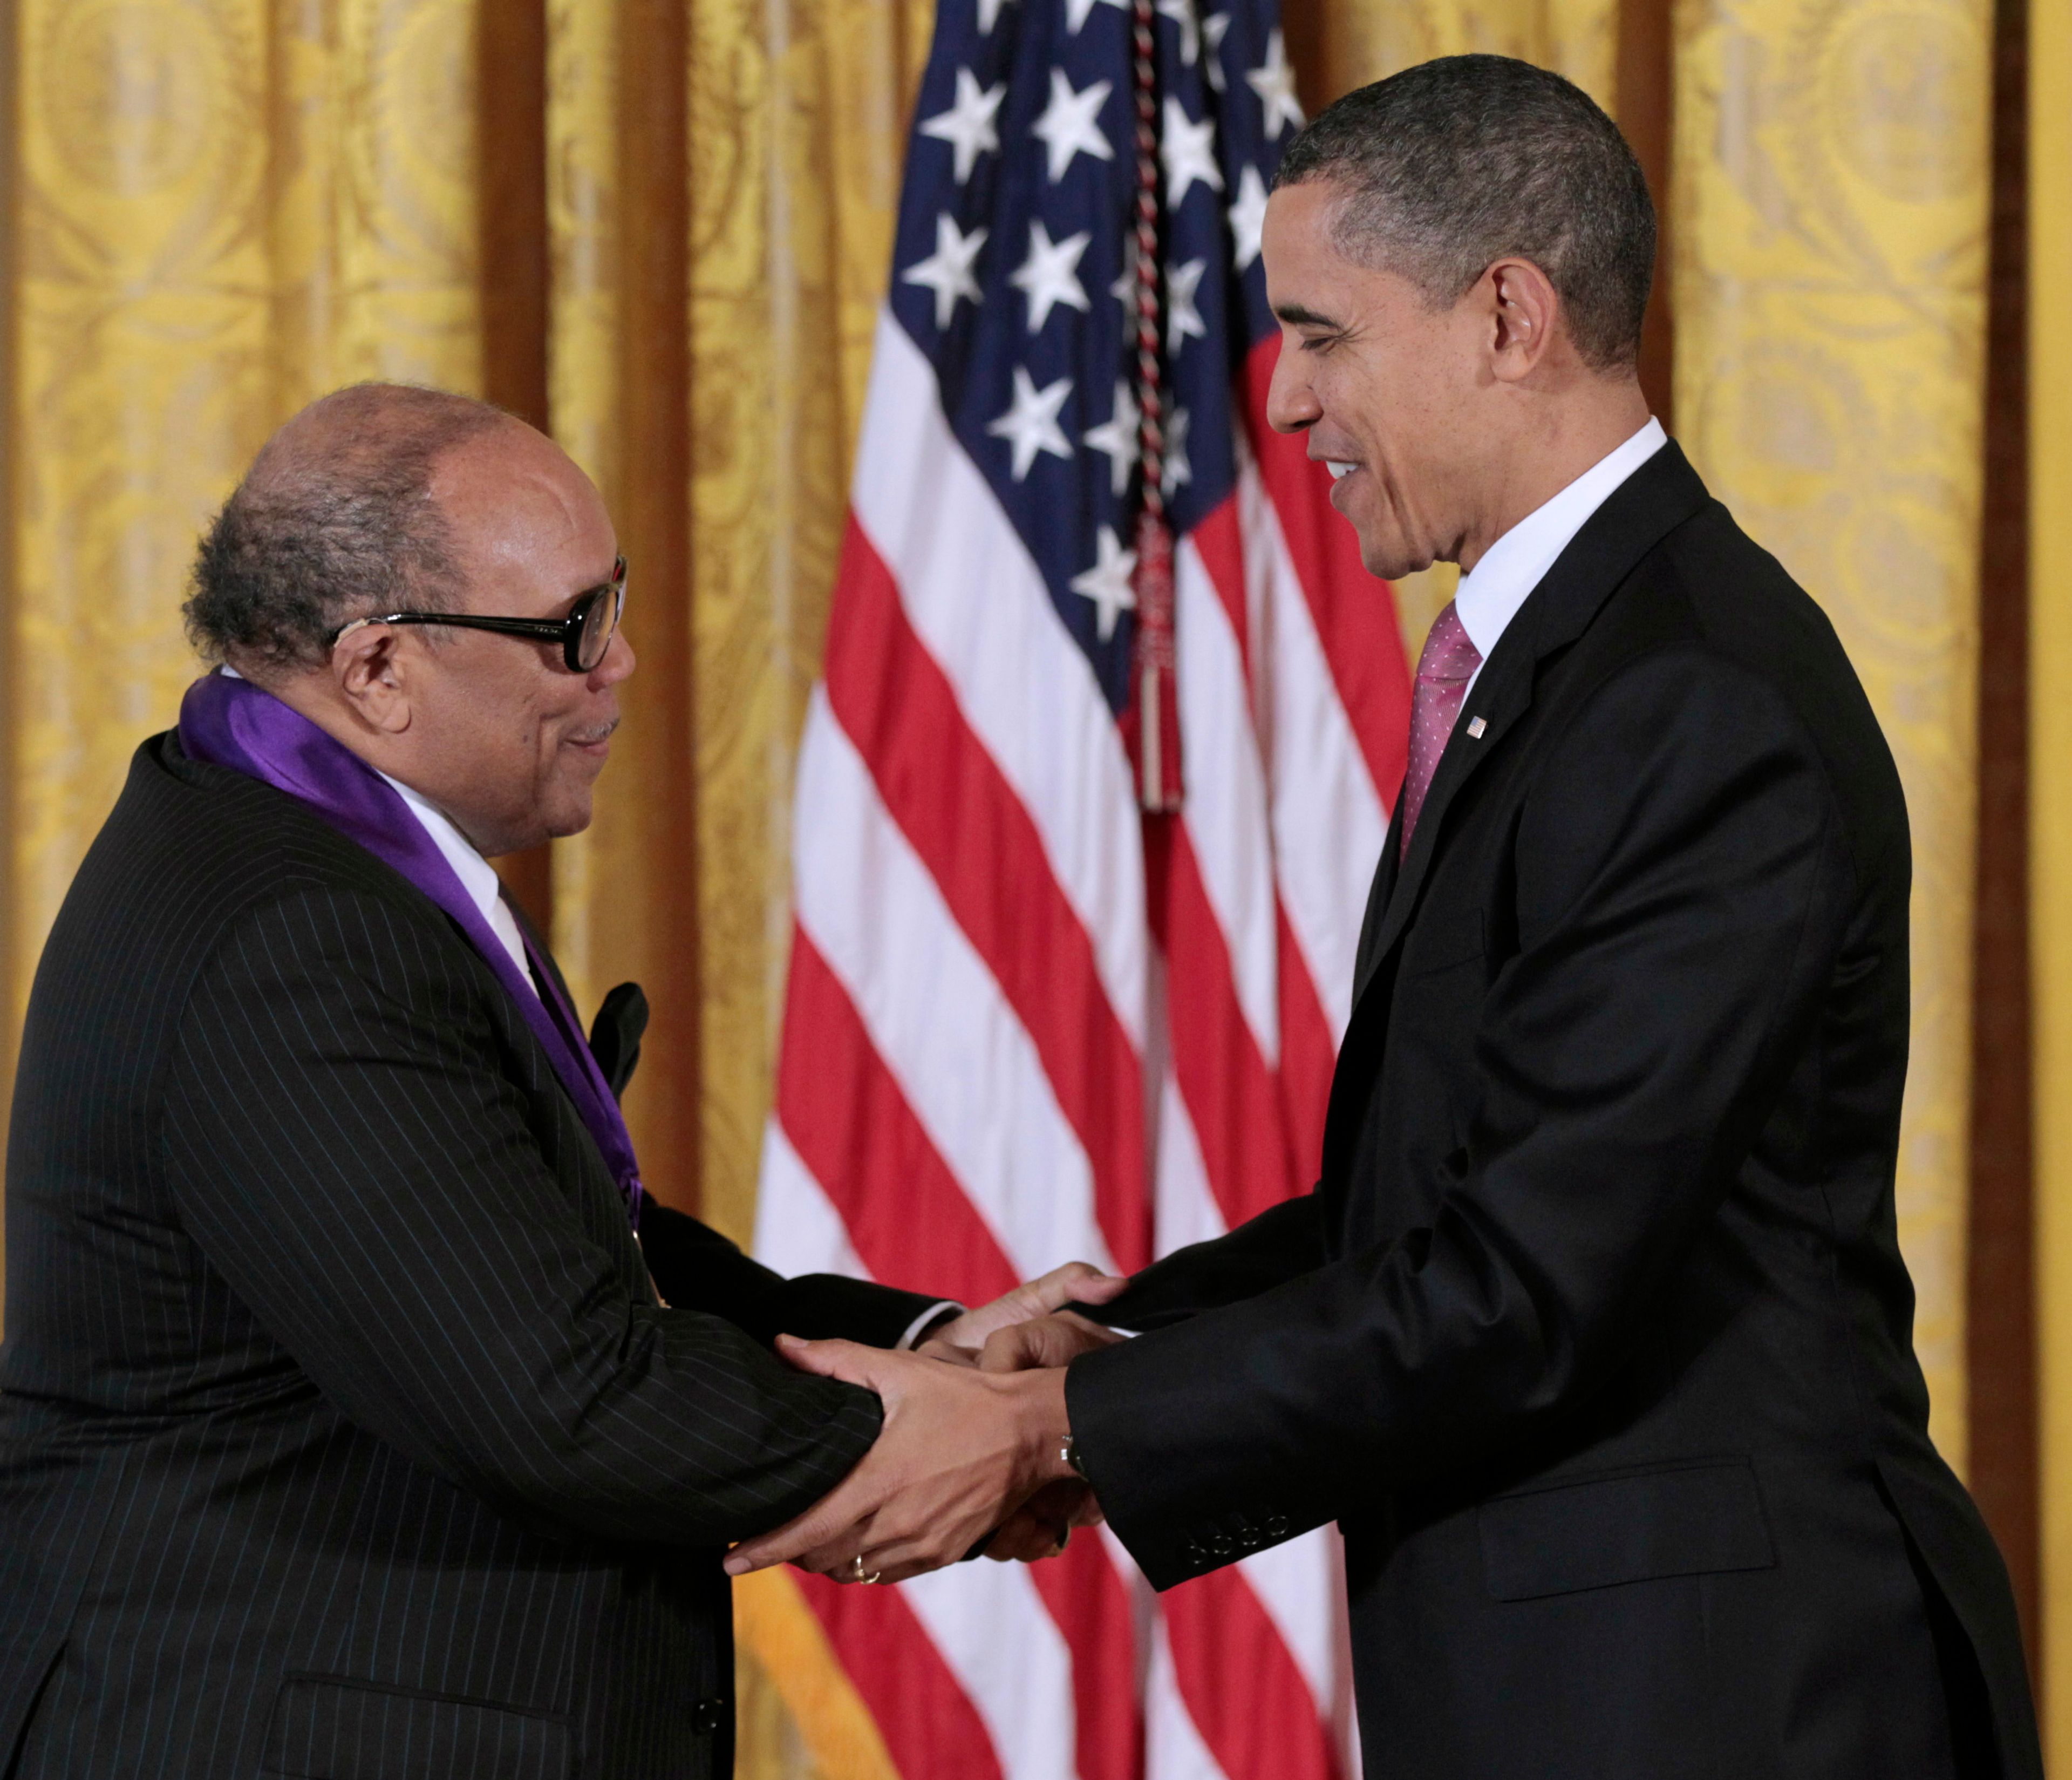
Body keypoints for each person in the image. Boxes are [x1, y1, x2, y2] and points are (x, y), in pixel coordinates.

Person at [724, 55, 2044, 1779]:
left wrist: (1059, 1425)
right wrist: (1115, 1339)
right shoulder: (1571, 669)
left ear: (1509, 315)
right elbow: (1426, 1200)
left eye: (1324, 334)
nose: (1283, 404)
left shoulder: (1695, 698)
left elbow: (1519, 1286)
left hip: (1723, 1696)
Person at [0, 383, 1116, 1776]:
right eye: (572, 629)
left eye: (618, 600)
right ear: (378, 669)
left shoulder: (306, 837)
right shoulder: (295, 930)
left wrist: (929, 1349)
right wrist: (990, 1432)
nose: (624, 662)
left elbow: (546, 1244)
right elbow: (563, 1388)